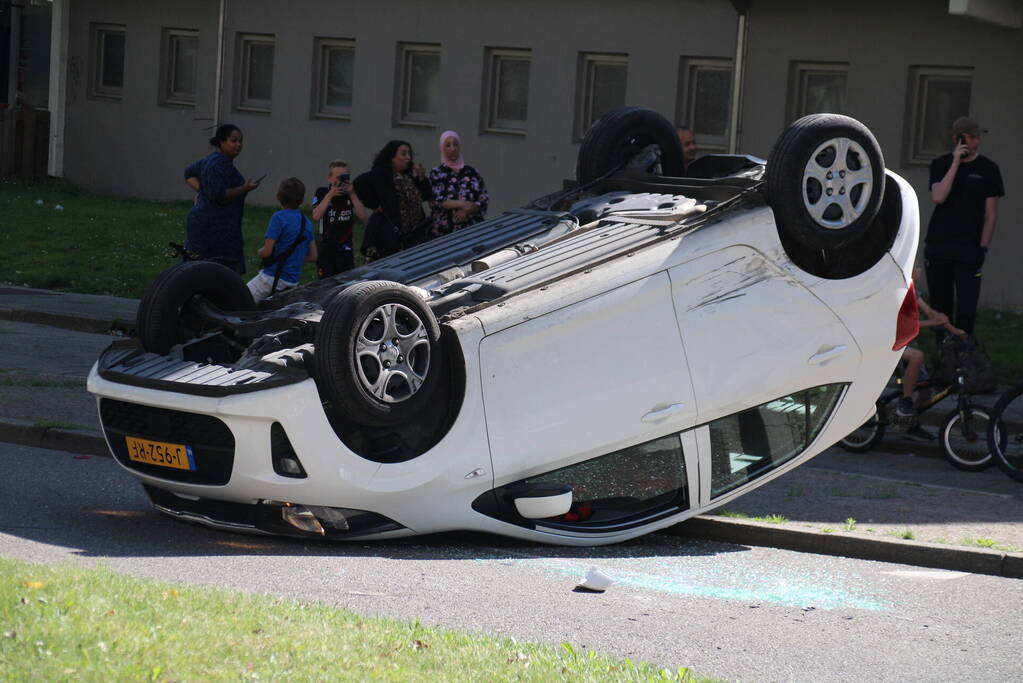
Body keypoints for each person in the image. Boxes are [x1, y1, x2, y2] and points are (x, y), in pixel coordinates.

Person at [924, 116, 1004, 336]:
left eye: (978, 137)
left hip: (969, 249)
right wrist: (956, 163)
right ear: (957, 138)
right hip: (939, 245)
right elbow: (938, 196)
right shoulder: (941, 165)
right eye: (971, 137)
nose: (976, 142)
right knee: (941, 308)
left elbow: (991, 214)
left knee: (967, 309)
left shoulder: (989, 169)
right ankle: (944, 356)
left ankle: (964, 356)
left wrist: (983, 247)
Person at [183, 124, 262, 274]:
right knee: (214, 273)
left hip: (207, 224)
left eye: (240, 141)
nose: (238, 145)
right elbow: (220, 195)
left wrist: (203, 191)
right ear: (221, 142)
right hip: (215, 229)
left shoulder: (212, 160)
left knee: (199, 271)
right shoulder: (218, 163)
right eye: (234, 141)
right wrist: (244, 188)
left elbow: (189, 173)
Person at [353, 140, 431, 261]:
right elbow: (359, 183)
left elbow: (425, 196)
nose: (408, 158)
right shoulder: (382, 174)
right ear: (392, 157)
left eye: (409, 154)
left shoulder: (408, 177)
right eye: (403, 154)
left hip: (413, 234)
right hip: (391, 235)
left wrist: (422, 179)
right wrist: (374, 204)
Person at [246, 177, 317, 302]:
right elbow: (313, 256)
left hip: (271, 279)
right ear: (301, 201)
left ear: (278, 196)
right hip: (292, 282)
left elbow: (267, 252)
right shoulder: (307, 222)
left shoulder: (278, 218)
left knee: (239, 298)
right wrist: (295, 257)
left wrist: (260, 252)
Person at [310, 160, 368, 278]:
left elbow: (363, 216)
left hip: (345, 246)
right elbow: (316, 216)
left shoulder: (352, 194)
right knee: (325, 281)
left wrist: (352, 194)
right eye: (338, 178)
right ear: (329, 178)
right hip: (326, 247)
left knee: (346, 281)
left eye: (344, 177)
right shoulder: (322, 192)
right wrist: (331, 194)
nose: (341, 181)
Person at [427, 130, 489, 237]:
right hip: (444, 232)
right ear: (442, 148)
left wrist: (468, 210)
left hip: (472, 230)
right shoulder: (437, 173)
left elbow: (483, 199)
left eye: (455, 144)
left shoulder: (472, 172)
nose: (452, 149)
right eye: (448, 145)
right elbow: (436, 201)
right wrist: (463, 204)